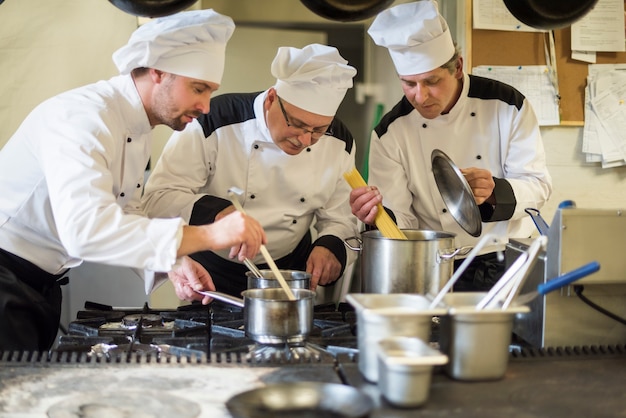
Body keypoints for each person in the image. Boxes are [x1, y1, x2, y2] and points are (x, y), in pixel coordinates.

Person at [0, 9, 267, 352]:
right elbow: (86, 230)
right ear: (158, 71)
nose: (205, 106)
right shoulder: (82, 118)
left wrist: (172, 262)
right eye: (198, 88)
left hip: (41, 285)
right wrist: (210, 235)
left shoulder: (137, 127)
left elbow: (126, 212)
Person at [349, 1, 552, 291]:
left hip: (507, 262)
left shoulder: (507, 106)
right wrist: (376, 215)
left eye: (431, 81)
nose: (420, 96)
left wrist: (496, 192)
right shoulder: (390, 133)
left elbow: (538, 186)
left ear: (457, 67)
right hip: (434, 266)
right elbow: (401, 220)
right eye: (409, 84)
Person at [141, 43, 359, 296]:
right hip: (211, 274)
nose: (305, 140)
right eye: (297, 125)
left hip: (290, 275)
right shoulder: (214, 120)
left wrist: (330, 245)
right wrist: (217, 213)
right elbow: (158, 198)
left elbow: (340, 216)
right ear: (271, 99)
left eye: (318, 131)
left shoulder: (340, 140)